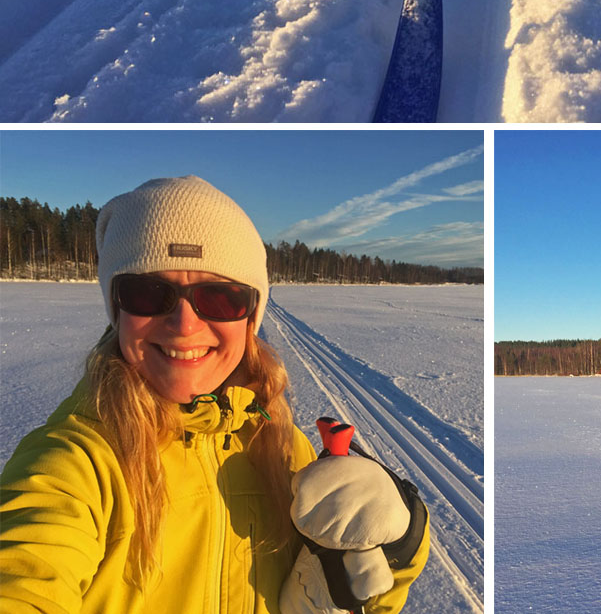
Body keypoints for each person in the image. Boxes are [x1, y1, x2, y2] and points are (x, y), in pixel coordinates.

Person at [0, 175, 429, 613]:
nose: (184, 324)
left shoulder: (282, 450)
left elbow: (365, 595)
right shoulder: (76, 463)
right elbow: (26, 571)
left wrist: (397, 545)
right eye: (148, 293)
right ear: (117, 309)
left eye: (219, 297)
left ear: (250, 316)